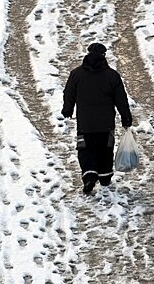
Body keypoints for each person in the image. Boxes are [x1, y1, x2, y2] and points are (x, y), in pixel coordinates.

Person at [62, 42, 132, 194]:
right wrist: (126, 118)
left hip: (85, 124)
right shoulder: (112, 76)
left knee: (85, 149)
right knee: (105, 150)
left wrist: (67, 109)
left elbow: (69, 93)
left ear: (87, 54)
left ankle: (89, 176)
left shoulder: (76, 74)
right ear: (104, 56)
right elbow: (121, 99)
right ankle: (105, 177)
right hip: (106, 124)